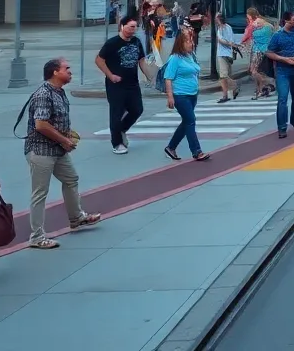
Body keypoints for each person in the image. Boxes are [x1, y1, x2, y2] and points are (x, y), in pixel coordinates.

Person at [23, 58, 101, 249]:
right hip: (41, 150)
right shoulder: (44, 94)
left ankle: (76, 218)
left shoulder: (59, 92)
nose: (70, 72)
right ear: (55, 72)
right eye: (67, 69)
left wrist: (66, 135)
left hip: (57, 148)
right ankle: (37, 236)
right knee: (40, 192)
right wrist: (64, 140)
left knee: (71, 178)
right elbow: (41, 124)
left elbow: (55, 120)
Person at [95, 16, 154, 154]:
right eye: (130, 27)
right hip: (116, 85)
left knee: (137, 109)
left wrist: (149, 76)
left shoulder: (137, 42)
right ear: (122, 26)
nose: (133, 30)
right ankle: (117, 143)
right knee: (116, 113)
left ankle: (122, 129)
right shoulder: (112, 43)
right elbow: (99, 60)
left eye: (135, 27)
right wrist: (111, 76)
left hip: (132, 83)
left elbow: (141, 60)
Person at [162, 29, 210, 162]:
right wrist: (170, 97)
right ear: (180, 43)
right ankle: (197, 151)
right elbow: (168, 78)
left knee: (186, 122)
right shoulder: (175, 58)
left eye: (191, 41)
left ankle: (171, 147)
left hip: (192, 94)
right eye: (188, 42)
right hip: (180, 95)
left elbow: (195, 71)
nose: (191, 44)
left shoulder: (190, 56)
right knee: (190, 120)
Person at [266, 11, 294, 138]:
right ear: (287, 21)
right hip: (283, 70)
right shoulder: (277, 35)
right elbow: (269, 52)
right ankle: (282, 128)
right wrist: (284, 59)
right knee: (283, 98)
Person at [242, 7, 275, 100]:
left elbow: (247, 34)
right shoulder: (263, 22)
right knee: (256, 71)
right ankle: (260, 90)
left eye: (248, 15)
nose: (247, 17)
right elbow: (271, 29)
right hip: (261, 49)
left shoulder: (256, 22)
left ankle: (267, 82)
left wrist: (243, 41)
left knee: (254, 71)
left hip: (259, 50)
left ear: (250, 15)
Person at [214, 12, 239, 103]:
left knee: (223, 75)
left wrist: (227, 43)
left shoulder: (220, 28)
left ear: (219, 19)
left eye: (216, 18)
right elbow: (232, 39)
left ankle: (235, 86)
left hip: (222, 53)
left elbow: (220, 40)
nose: (215, 19)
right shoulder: (229, 27)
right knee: (226, 75)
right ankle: (225, 95)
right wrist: (231, 44)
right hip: (229, 54)